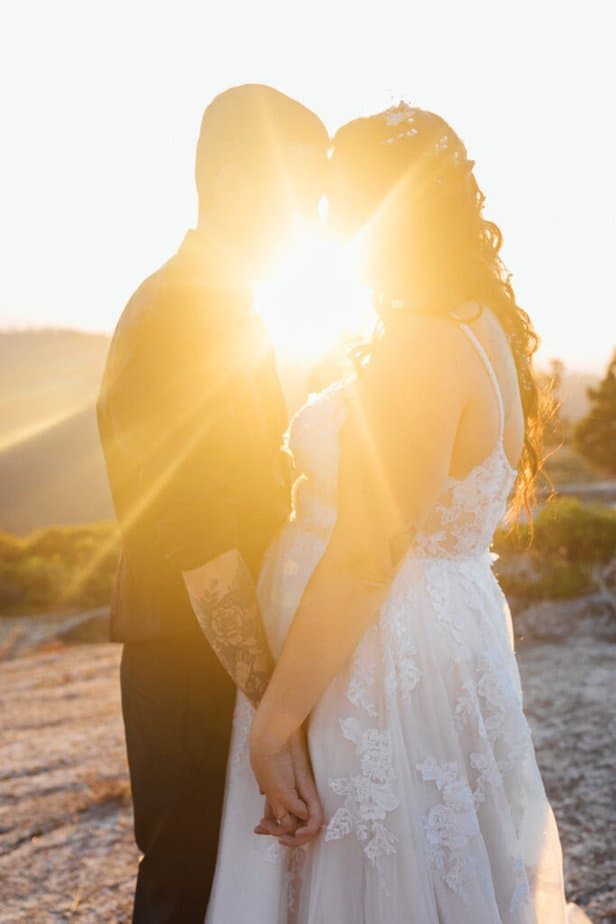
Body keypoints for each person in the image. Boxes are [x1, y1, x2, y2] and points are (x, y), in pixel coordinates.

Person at [207, 104, 592, 922]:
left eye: (341, 206)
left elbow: (367, 552)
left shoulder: (421, 343)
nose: (328, 225)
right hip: (437, 632)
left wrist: (274, 727)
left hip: (377, 655)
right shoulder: (477, 325)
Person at [97, 84, 328, 923]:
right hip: (189, 664)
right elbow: (196, 539)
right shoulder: (180, 319)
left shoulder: (230, 309)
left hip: (215, 659)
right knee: (187, 887)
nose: (314, 217)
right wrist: (277, 711)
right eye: (301, 193)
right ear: (234, 182)